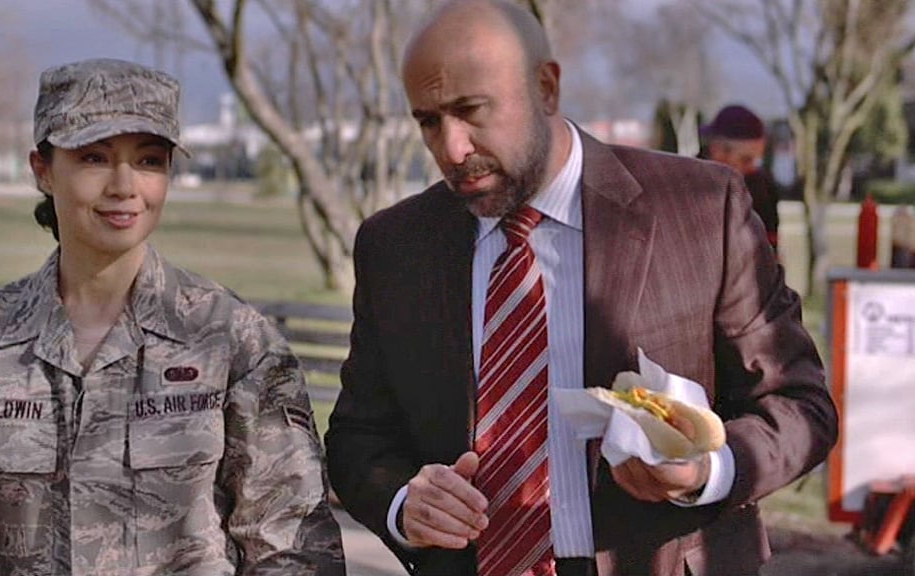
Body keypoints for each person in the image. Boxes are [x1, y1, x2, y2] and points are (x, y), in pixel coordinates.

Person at [324, 2, 838, 576]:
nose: (452, 148)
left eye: (471, 111)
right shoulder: (396, 245)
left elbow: (799, 406)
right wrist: (404, 503)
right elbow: (359, 436)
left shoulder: (700, 208)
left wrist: (707, 470)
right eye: (428, 122)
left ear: (546, 87)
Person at [0, 58, 344, 576]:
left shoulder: (231, 340)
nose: (125, 185)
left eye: (149, 160)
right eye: (94, 157)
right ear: (42, 170)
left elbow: (293, 550)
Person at [699, 104, 782, 250]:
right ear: (717, 150)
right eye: (746, 159)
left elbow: (769, 247)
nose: (753, 167)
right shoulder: (685, 184)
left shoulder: (762, 187)